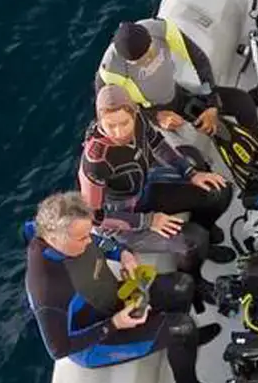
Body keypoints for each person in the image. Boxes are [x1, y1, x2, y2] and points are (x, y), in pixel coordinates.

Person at [24, 192, 220, 383]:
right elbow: (58, 349)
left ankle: (183, 342)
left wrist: (122, 253)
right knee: (182, 328)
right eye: (82, 238)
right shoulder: (46, 287)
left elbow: (99, 242)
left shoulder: (62, 234)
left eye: (88, 233)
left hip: (112, 298)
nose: (89, 241)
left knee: (183, 285)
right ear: (54, 239)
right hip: (97, 338)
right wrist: (116, 323)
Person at [78, 85, 234, 267]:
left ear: (134, 113)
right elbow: (95, 217)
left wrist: (190, 173)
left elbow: (157, 144)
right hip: (123, 221)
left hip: (144, 190)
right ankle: (195, 274)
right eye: (110, 126)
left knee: (219, 191)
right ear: (99, 120)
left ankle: (206, 231)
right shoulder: (96, 161)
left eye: (124, 123)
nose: (119, 133)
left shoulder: (140, 120)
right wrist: (148, 221)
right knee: (194, 240)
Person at [97, 17, 258, 149]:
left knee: (242, 101)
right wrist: (155, 117)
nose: (147, 59)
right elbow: (114, 117)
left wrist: (211, 103)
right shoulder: (110, 71)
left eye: (149, 52)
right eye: (139, 61)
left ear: (150, 39)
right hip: (151, 114)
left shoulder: (159, 29)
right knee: (192, 161)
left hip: (177, 94)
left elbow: (199, 60)